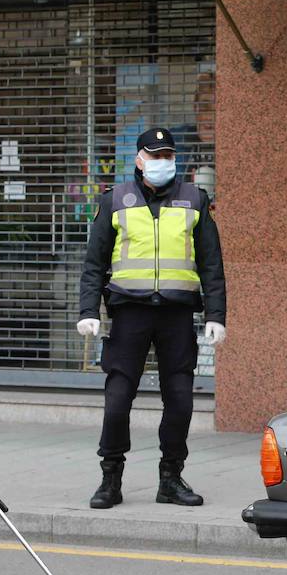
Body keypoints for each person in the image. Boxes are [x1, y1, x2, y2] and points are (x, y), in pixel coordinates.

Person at [77, 127, 226, 509]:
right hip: (130, 313)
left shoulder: (194, 199)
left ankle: (171, 479)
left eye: (168, 155)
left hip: (177, 315)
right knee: (117, 401)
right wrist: (88, 310)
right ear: (139, 159)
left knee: (179, 401)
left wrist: (216, 313)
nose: (162, 162)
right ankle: (110, 478)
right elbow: (94, 264)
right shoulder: (115, 201)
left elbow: (211, 263)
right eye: (155, 155)